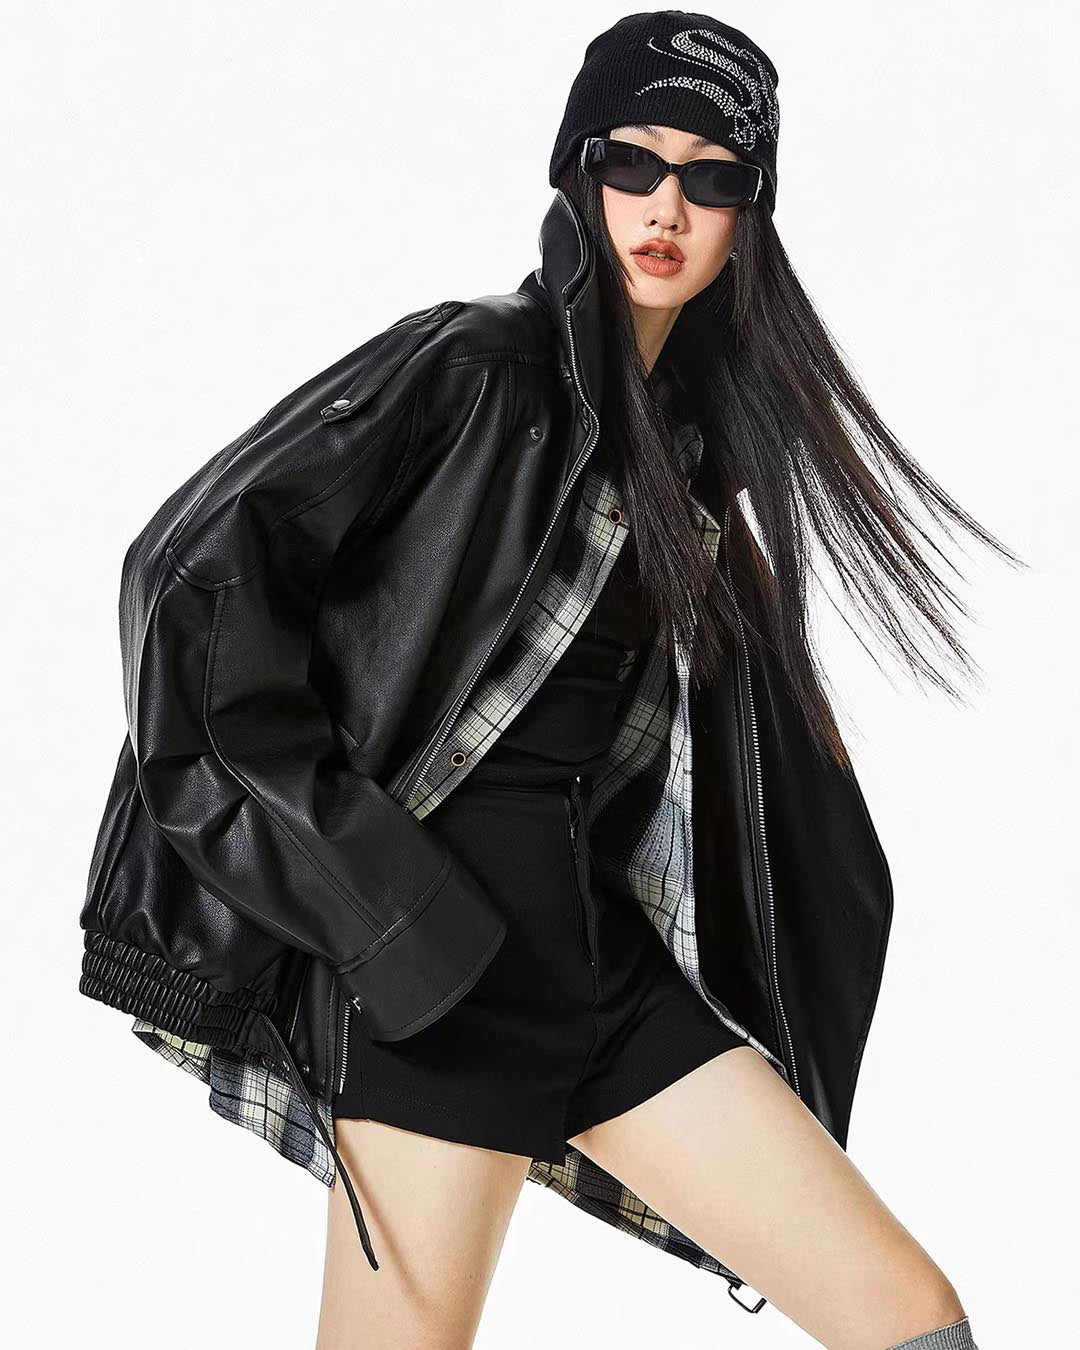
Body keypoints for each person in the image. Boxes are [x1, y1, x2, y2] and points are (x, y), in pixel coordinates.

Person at [78, 12, 1016, 1349]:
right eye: (633, 162)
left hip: (606, 971)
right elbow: (184, 575)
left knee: (910, 1319)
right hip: (437, 975)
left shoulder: (688, 455)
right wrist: (367, 896)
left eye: (711, 177)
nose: (666, 207)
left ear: (750, 214)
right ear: (580, 172)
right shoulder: (474, 367)